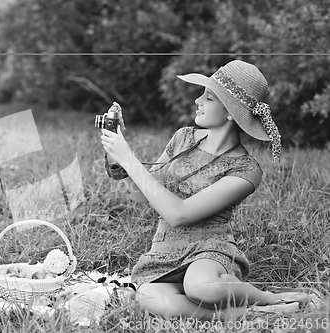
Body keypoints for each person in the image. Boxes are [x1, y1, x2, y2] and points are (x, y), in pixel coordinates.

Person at [100, 60, 314, 319]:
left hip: (209, 252)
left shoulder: (245, 170)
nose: (197, 101)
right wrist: (117, 154)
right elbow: (144, 193)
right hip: (164, 252)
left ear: (230, 113)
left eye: (208, 97)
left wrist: (130, 159)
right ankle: (244, 315)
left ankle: (271, 298)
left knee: (200, 287)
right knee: (148, 298)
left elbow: (179, 214)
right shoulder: (183, 138)